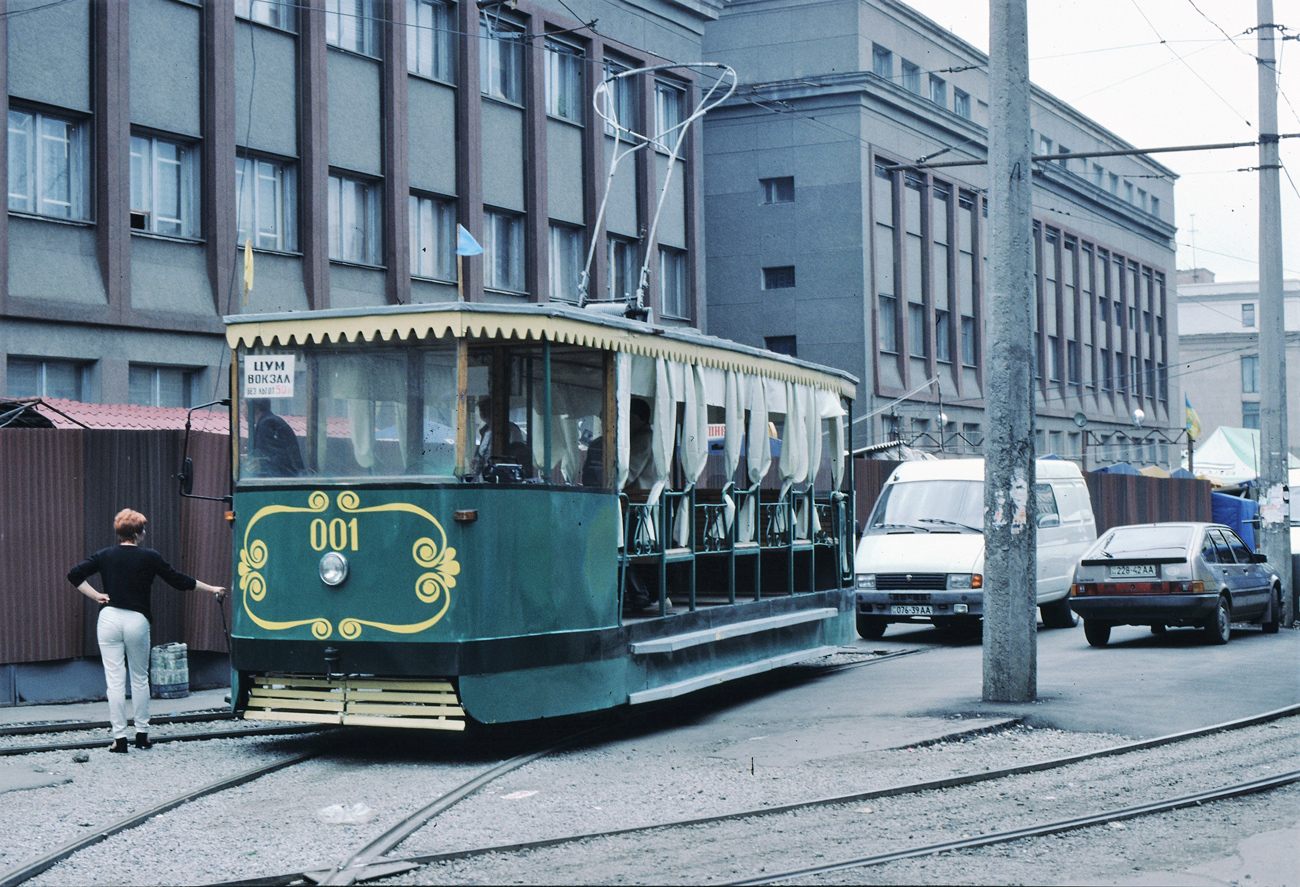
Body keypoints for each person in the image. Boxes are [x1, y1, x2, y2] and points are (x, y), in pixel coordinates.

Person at [67, 509, 226, 754]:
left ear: (118, 532)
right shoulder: (150, 557)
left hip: (109, 618)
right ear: (139, 533)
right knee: (140, 679)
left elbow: (74, 574)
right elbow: (178, 580)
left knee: (115, 681)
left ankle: (119, 739)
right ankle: (142, 735)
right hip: (137, 620)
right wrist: (212, 588)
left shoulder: (104, 555)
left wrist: (97, 595)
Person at [470, 396, 529, 478]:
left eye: (487, 408)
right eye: (481, 408)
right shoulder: (484, 431)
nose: (484, 412)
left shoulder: (511, 429)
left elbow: (518, 454)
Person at [247, 397, 305, 477]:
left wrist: (260, 463)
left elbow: (278, 459)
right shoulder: (269, 421)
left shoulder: (267, 424)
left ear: (253, 406)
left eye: (243, 404)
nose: (242, 409)